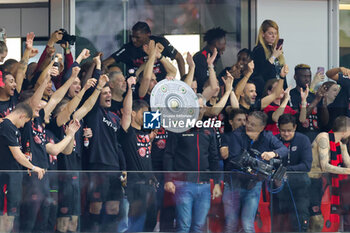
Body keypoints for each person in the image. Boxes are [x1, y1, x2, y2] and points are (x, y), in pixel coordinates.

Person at [222, 111, 288, 233]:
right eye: (248, 122)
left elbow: (284, 149)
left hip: (253, 185)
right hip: (233, 185)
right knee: (230, 224)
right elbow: (236, 159)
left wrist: (273, 153)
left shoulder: (267, 136)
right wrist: (256, 164)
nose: (248, 125)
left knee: (248, 224)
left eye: (253, 124)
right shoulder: (237, 134)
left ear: (262, 127)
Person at [164, 94, 222, 233]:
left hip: (204, 186)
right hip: (183, 184)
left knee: (199, 226)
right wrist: (168, 179)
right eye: (197, 107)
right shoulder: (177, 127)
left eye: (202, 108)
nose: (200, 110)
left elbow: (214, 158)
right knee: (183, 226)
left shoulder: (209, 130)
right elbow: (168, 155)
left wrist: (218, 183)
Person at [84, 74, 127, 232]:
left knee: (114, 208)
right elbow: (92, 97)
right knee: (96, 206)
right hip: (98, 166)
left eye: (109, 92)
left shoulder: (114, 118)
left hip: (114, 168)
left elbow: (118, 145)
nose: (108, 95)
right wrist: (98, 73)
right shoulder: (94, 114)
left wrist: (123, 167)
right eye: (104, 93)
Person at [119, 77, 157, 232]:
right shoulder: (127, 133)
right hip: (135, 186)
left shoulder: (145, 132)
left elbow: (146, 155)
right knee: (136, 224)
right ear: (134, 114)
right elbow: (126, 112)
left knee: (151, 222)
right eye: (144, 113)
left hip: (149, 185)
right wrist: (130, 88)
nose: (147, 116)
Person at [0, 103, 46, 233]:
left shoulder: (13, 129)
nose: (23, 125)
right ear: (22, 116)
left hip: (14, 180)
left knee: (11, 217)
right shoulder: (6, 126)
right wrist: (33, 167)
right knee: (5, 217)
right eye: (25, 122)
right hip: (5, 180)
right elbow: (17, 155)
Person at [308, 116, 350, 232]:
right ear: (345, 130)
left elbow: (348, 163)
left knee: (317, 221)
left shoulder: (341, 143)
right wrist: (347, 171)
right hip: (309, 182)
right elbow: (324, 166)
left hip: (320, 183)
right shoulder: (323, 138)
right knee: (316, 220)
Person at [103, 21, 185, 80]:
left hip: (161, 86)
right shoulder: (128, 48)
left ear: (148, 34)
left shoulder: (160, 42)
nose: (134, 40)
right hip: (139, 89)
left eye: (137, 37)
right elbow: (105, 63)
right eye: (132, 37)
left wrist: (184, 81)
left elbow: (179, 58)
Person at [273, 114, 312, 232]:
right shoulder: (274, 140)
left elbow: (306, 166)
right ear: (278, 128)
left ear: (295, 127)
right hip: (278, 187)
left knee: (300, 218)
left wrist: (285, 171)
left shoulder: (303, 140)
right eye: (283, 130)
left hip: (300, 187)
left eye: (289, 130)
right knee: (279, 221)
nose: (286, 134)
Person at [290, 64, 328, 142]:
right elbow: (299, 120)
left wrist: (323, 102)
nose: (307, 79)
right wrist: (316, 100)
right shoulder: (291, 95)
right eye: (304, 76)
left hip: (317, 137)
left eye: (309, 76)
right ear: (295, 77)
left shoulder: (314, 95)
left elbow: (325, 122)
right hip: (300, 137)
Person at [251, 19, 286, 89]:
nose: (274, 36)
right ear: (263, 34)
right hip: (266, 90)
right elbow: (261, 73)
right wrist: (273, 57)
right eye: (270, 33)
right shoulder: (259, 50)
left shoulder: (275, 49)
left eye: (275, 33)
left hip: (279, 89)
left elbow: (281, 74)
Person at [193, 27, 227, 93]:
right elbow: (204, 83)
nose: (225, 48)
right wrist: (224, 79)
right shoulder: (200, 57)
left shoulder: (216, 58)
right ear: (217, 43)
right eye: (224, 43)